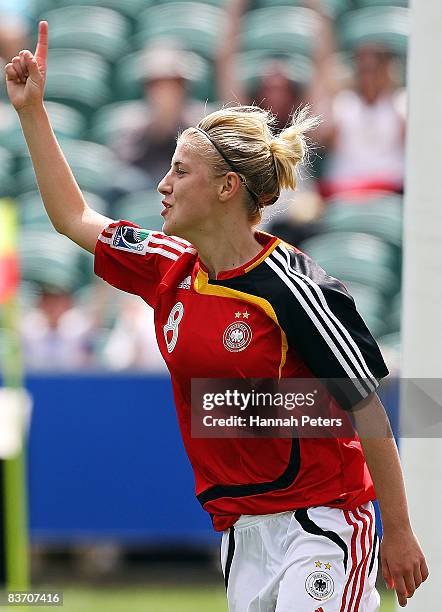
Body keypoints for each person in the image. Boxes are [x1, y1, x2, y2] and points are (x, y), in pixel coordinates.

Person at [5, 22, 428, 611]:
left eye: (181, 170)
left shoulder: (294, 288)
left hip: (323, 527)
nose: (163, 183)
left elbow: (365, 408)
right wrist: (31, 111)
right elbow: (74, 218)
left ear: (228, 187)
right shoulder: (167, 265)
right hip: (240, 535)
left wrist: (400, 531)